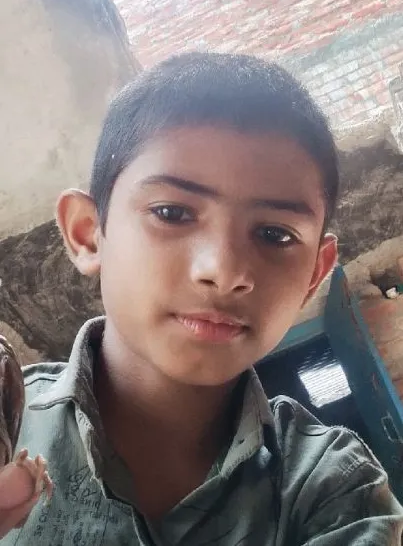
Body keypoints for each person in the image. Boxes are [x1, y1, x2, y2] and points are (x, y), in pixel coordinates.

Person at [2, 52, 402, 544]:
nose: (225, 270)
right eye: (172, 212)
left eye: (275, 235)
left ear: (315, 274)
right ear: (88, 234)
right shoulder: (7, 421)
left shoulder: (337, 493)